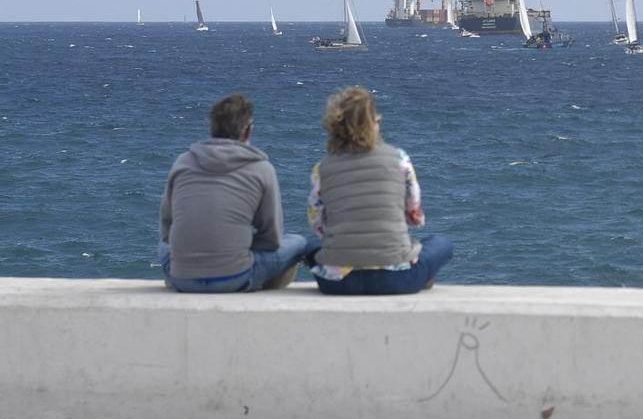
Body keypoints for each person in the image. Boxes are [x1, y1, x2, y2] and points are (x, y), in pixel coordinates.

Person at [158, 93, 318, 292]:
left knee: (164, 248)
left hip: (182, 277)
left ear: (212, 128)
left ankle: (183, 278)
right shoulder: (261, 168)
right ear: (248, 130)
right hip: (233, 278)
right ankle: (259, 287)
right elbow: (272, 238)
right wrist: (238, 245)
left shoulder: (183, 162)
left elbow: (167, 231)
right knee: (298, 242)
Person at [305, 86, 451, 294]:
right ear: (373, 124)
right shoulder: (399, 159)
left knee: (307, 247)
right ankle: (422, 277)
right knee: (441, 244)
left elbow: (317, 223)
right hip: (398, 278)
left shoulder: (322, 169)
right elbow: (415, 217)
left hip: (338, 282)